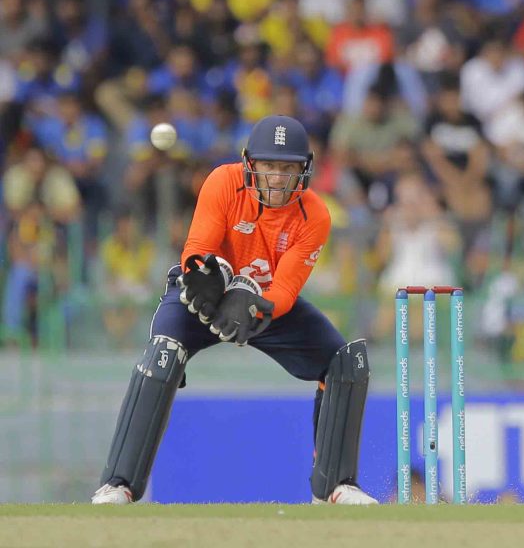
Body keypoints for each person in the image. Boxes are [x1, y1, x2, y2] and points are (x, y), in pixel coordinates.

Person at [91, 115, 377, 505]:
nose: (277, 178)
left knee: (344, 361)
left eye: (288, 168)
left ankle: (336, 487)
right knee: (162, 353)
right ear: (250, 163)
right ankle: (118, 484)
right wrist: (205, 281)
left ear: (304, 169)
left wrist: (257, 306)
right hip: (205, 297)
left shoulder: (316, 214)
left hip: (264, 304)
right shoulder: (223, 181)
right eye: (269, 166)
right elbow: (196, 250)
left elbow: (286, 289)